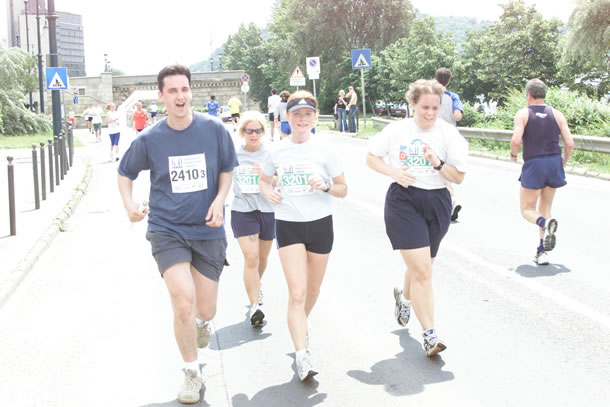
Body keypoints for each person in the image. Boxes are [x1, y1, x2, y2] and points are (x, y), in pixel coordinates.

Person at [117, 64, 238, 404]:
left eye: (184, 89)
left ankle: (202, 322)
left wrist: (220, 200)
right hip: (167, 228)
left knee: (206, 309)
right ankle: (191, 373)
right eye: (172, 91)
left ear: (190, 92)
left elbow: (227, 169)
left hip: (207, 229)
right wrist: (129, 204)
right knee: (183, 301)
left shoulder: (214, 129)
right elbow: (125, 173)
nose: (180, 96)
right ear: (161, 96)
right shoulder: (150, 138)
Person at [366, 79, 468, 357]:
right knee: (423, 271)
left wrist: (437, 163)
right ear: (412, 103)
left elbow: (458, 177)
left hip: (437, 202)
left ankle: (404, 296)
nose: (430, 113)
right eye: (425, 107)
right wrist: (393, 172)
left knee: (423, 266)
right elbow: (371, 157)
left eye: (435, 108)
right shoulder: (397, 130)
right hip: (403, 201)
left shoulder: (448, 134)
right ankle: (430, 335)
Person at [259, 90, 347, 381]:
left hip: (320, 224)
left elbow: (343, 189)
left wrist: (325, 186)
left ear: (314, 118)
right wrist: (269, 193)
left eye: (308, 114)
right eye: (297, 114)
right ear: (288, 116)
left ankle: (300, 324)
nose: (302, 119)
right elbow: (264, 180)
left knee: (313, 291)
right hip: (289, 224)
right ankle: (301, 355)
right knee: (297, 292)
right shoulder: (276, 151)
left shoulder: (326, 150)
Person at [510, 78, 574, 266]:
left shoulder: (523, 113)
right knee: (545, 209)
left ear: (528, 95)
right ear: (544, 94)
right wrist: (563, 163)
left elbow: (516, 140)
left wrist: (513, 155)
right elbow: (570, 143)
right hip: (554, 162)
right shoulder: (557, 114)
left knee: (527, 210)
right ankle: (542, 252)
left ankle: (544, 223)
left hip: (535, 163)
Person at [231, 111, 276, 326]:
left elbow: (281, 180)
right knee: (251, 257)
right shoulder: (233, 155)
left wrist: (266, 176)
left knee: (262, 258)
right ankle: (254, 305)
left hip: (267, 211)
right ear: (243, 132)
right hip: (243, 210)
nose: (254, 134)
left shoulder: (271, 154)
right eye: (249, 131)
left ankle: (256, 285)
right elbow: (221, 178)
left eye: (258, 130)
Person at [434, 67, 465, 221]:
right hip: (451, 139)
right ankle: (449, 202)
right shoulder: (453, 97)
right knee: (446, 171)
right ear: (448, 81)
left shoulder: (431, 95)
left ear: (435, 78)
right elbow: (458, 116)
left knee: (439, 173)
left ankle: (452, 201)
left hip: (435, 137)